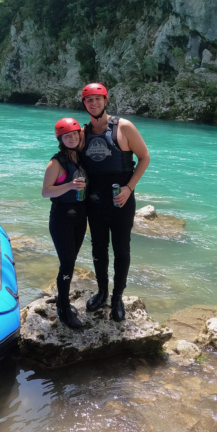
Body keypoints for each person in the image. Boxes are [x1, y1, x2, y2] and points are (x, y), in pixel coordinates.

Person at [79, 83, 150, 321]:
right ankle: (102, 291)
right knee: (98, 248)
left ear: (106, 100)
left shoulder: (124, 127)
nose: (94, 103)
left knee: (121, 248)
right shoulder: (83, 133)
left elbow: (144, 158)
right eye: (89, 100)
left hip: (121, 199)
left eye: (98, 99)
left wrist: (130, 188)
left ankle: (117, 297)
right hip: (95, 200)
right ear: (84, 104)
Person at [41, 117, 88, 330]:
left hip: (80, 217)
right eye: (66, 135)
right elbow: (46, 192)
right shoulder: (56, 163)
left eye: (74, 134)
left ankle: (62, 298)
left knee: (71, 260)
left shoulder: (80, 158)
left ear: (79, 135)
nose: (71, 138)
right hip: (61, 217)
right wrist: (69, 185)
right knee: (67, 263)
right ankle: (63, 309)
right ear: (60, 139)